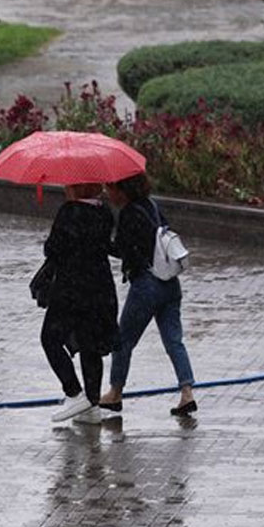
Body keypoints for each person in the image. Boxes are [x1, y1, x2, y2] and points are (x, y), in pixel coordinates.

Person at [100, 173, 197, 416]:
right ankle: (187, 393)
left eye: (109, 188)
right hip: (170, 284)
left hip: (146, 286)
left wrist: (102, 243)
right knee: (174, 341)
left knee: (122, 341)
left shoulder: (129, 214)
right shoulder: (152, 206)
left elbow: (125, 251)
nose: (106, 193)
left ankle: (115, 393)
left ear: (122, 190)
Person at [41, 182, 119, 424]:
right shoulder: (104, 211)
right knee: (90, 344)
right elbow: (104, 245)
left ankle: (74, 392)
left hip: (71, 289)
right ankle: (92, 404)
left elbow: (53, 249)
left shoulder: (69, 211)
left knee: (50, 338)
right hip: (100, 288)